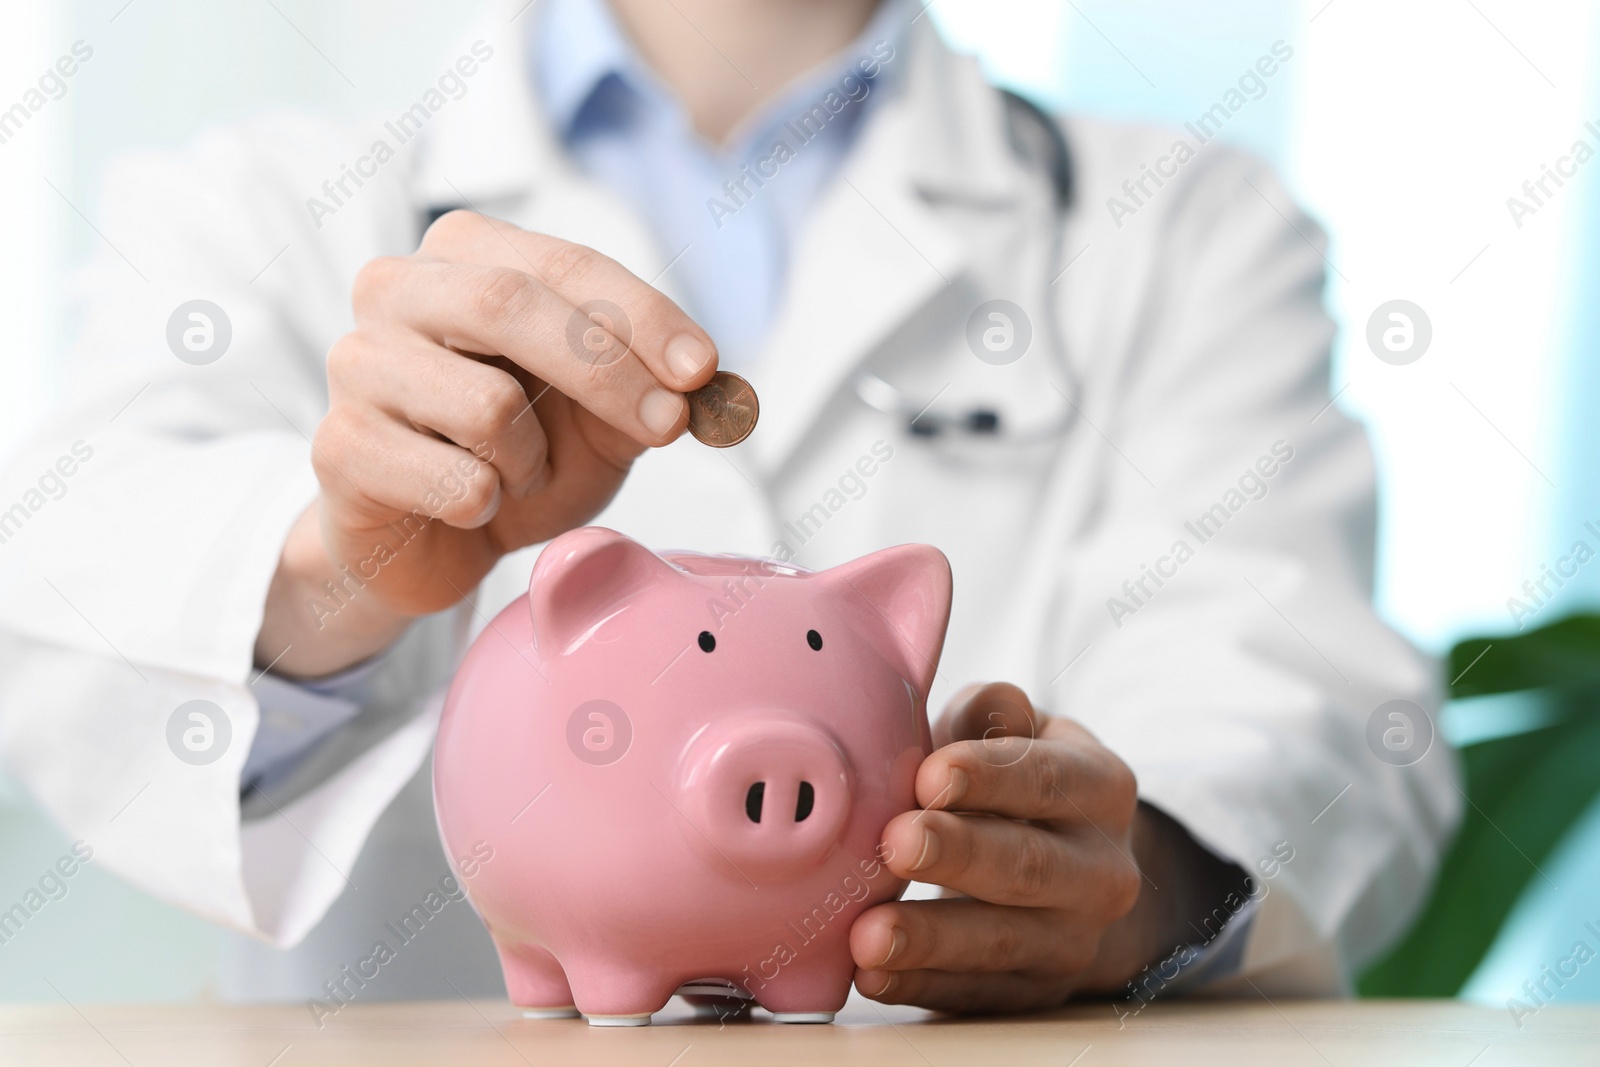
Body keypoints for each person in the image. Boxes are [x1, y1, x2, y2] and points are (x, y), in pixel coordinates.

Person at [0, 0, 1456, 1014]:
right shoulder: (256, 207)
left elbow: (1305, 685)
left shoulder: (1186, 227)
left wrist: (1135, 877)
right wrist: (341, 568)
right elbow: (67, 611)